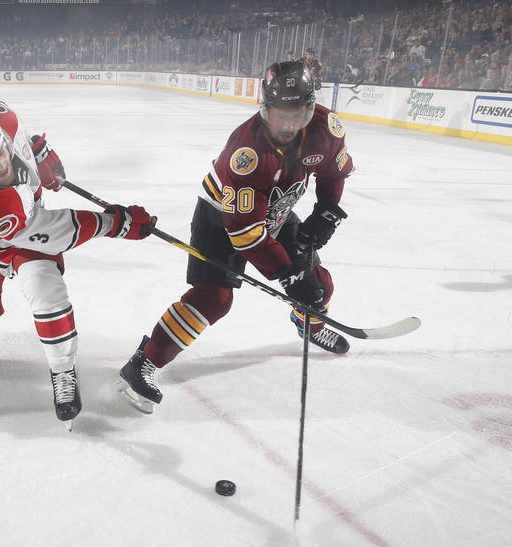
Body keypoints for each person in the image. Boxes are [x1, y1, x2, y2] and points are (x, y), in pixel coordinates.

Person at [117, 61, 355, 414]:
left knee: (320, 284)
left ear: (309, 107)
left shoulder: (327, 127)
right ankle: (142, 363)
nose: (287, 126)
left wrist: (326, 209)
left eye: (296, 115)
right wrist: (288, 276)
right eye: (278, 115)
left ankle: (309, 325)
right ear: (264, 108)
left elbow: (333, 169)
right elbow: (245, 235)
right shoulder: (246, 153)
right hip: (221, 217)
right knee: (214, 298)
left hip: (276, 208)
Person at [0, 100, 156, 427]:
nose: (1, 165)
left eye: (0, 151)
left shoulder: (2, 119)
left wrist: (43, 156)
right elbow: (56, 231)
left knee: (47, 294)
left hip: (29, 223)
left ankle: (63, 371)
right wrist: (118, 223)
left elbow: (25, 136)